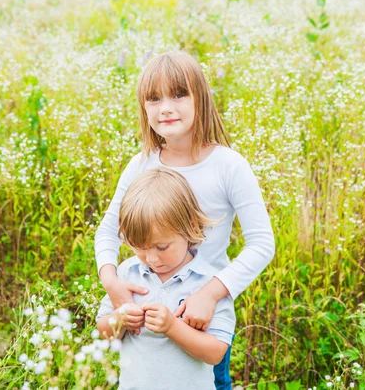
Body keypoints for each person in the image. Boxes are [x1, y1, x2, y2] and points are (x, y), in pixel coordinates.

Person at [95, 50, 275, 389]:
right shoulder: (141, 164)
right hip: (146, 313)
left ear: (200, 98)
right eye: (154, 98)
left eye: (179, 94)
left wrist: (209, 294)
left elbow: (262, 243)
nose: (165, 107)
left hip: (199, 316)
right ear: (144, 107)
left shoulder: (228, 166)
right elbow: (108, 231)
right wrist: (112, 283)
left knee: (209, 380)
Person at [96, 168, 235, 389]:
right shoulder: (127, 273)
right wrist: (119, 319)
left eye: (162, 247)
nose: (151, 258)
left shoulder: (209, 283)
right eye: (140, 248)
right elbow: (102, 333)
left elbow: (216, 353)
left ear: (189, 227)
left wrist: (172, 327)